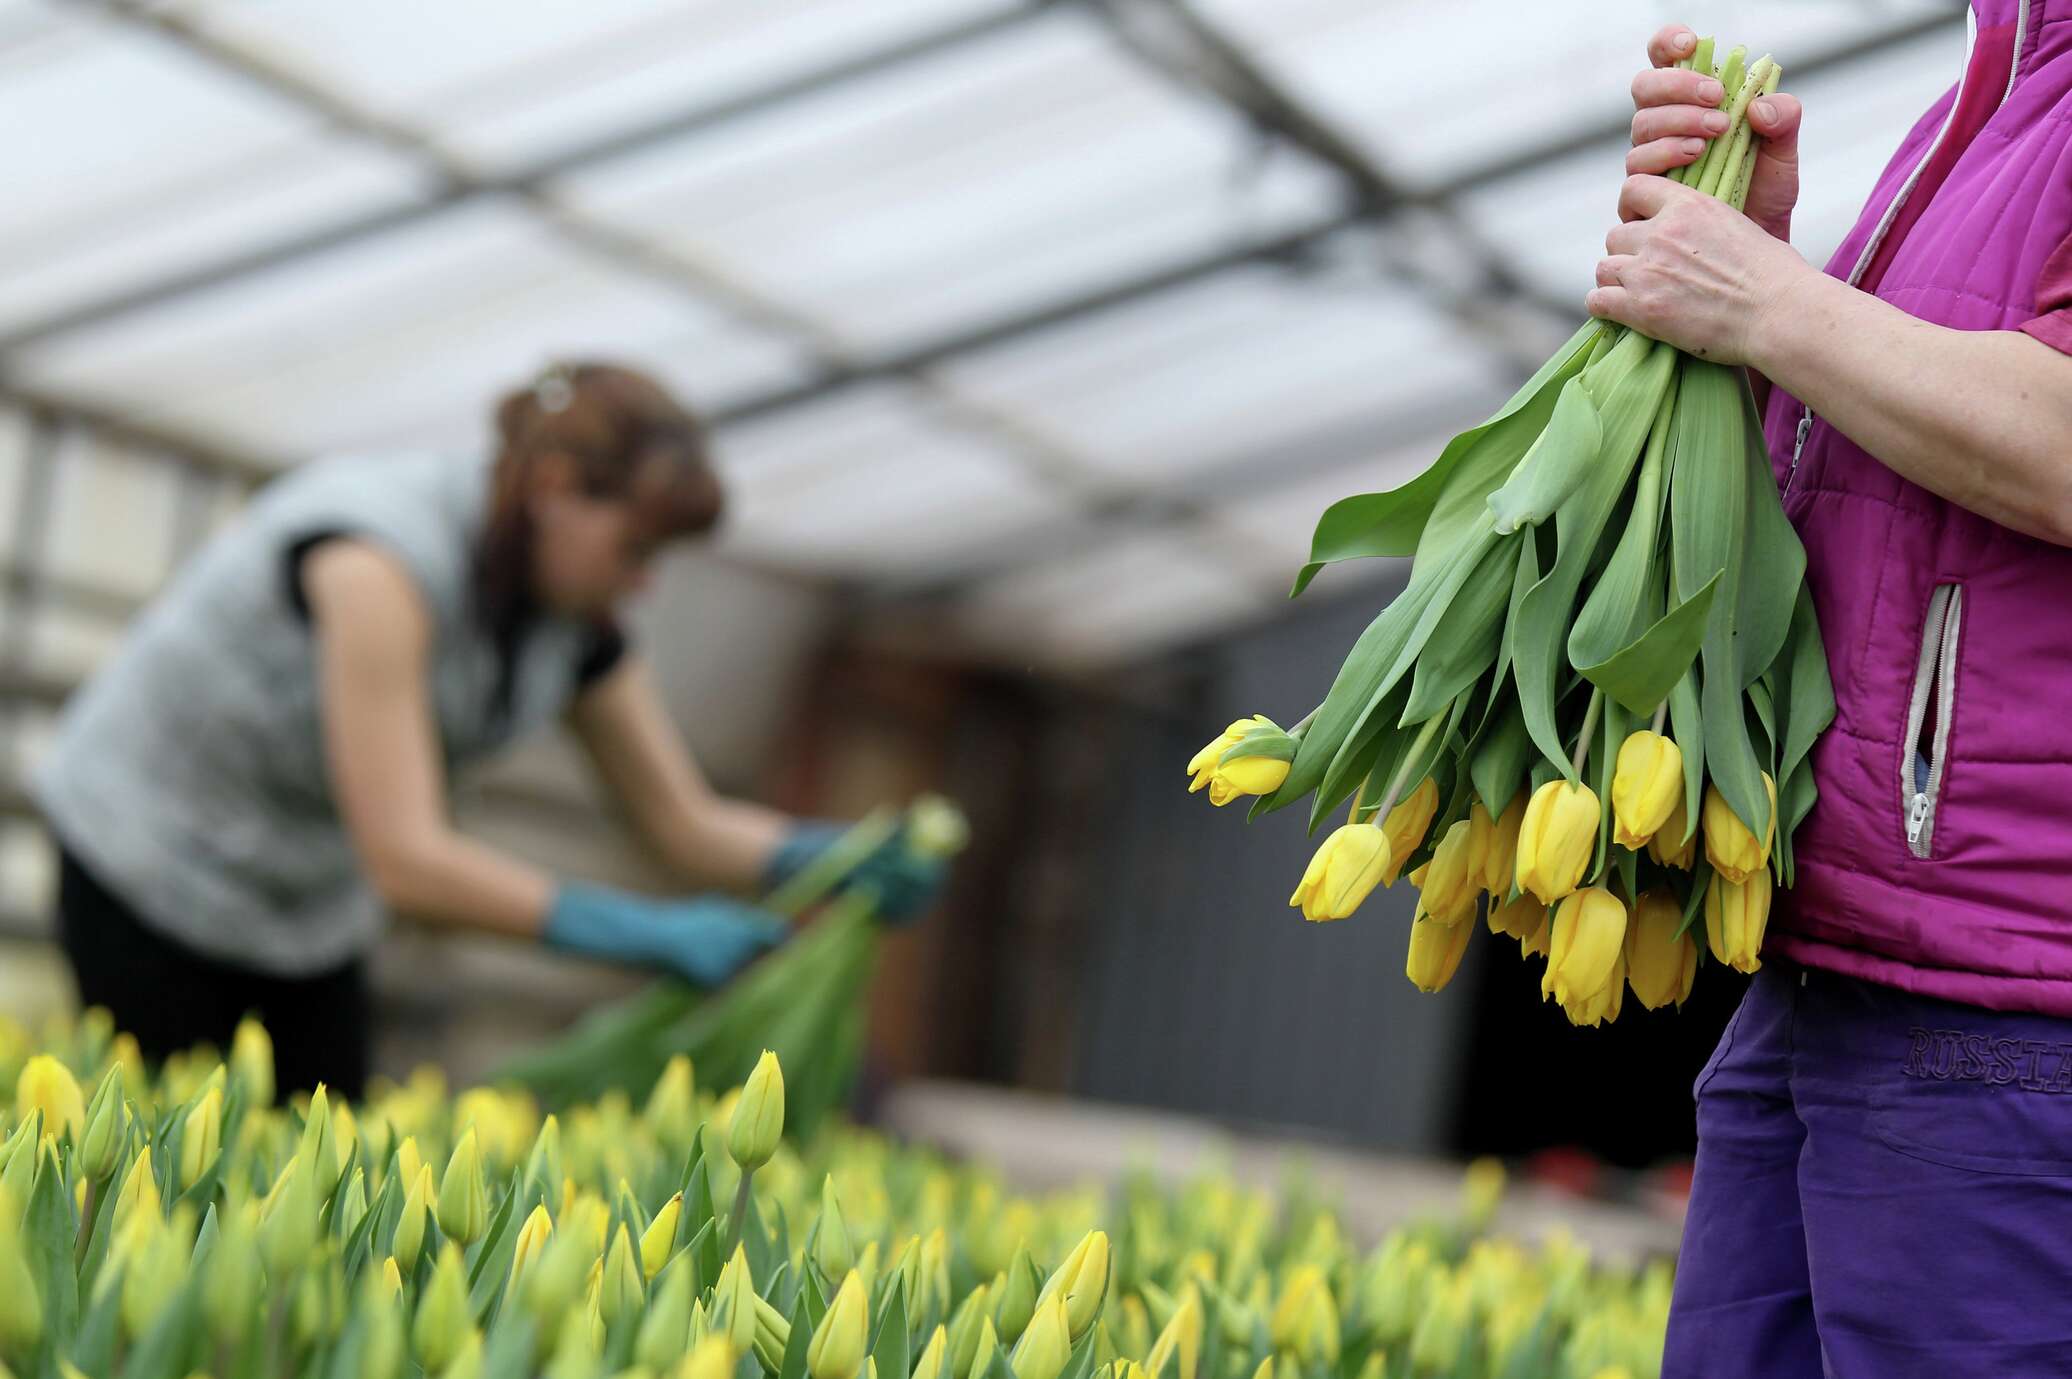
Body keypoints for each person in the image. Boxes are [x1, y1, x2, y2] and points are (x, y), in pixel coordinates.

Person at [32, 363, 943, 1101]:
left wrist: (829, 860)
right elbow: (407, 860)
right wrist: (632, 929)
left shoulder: (567, 619)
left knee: (317, 1162)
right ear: (553, 487)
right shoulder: (375, 562)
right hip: (149, 863)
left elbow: (682, 821)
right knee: (164, 1156)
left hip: (301, 902)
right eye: (633, 549)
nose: (642, 585)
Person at [1595, 10, 2072, 1376]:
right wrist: (1741, 283)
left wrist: (1767, 300)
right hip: (1848, 953)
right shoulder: (2011, 74)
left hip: (2014, 999)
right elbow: (1904, 488)